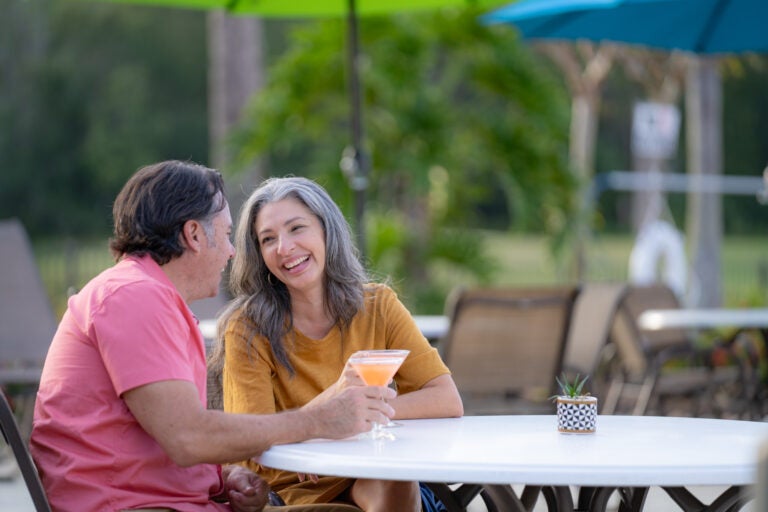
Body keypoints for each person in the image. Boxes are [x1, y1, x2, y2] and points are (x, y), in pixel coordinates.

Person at [30, 161, 395, 512]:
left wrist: (223, 478)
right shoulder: (133, 296)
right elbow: (188, 437)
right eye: (224, 234)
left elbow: (165, 434)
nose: (233, 252)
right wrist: (318, 421)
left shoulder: (145, 295)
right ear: (193, 235)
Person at [208, 176, 464, 512]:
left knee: (394, 476)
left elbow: (446, 399)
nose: (284, 247)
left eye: (297, 228)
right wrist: (327, 415)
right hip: (295, 493)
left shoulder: (378, 305)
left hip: (375, 475)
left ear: (327, 231)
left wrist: (355, 417)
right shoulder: (247, 328)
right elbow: (251, 438)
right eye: (268, 239)